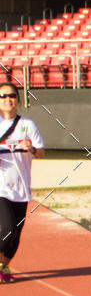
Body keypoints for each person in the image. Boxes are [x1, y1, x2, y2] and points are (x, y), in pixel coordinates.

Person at [0, 82, 45, 283]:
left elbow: (42, 152)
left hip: (22, 188)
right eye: (3, 96)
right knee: (7, 228)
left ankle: (3, 266)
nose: (7, 100)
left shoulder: (27, 124)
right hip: (1, 187)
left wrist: (32, 149)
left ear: (18, 100)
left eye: (11, 96)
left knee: (16, 235)